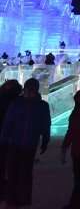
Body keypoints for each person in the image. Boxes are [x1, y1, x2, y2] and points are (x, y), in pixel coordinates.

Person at [0, 78, 50, 207]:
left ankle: (19, 199)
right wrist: (45, 139)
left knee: (22, 173)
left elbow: (45, 125)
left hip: (25, 144)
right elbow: (8, 123)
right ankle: (15, 199)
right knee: (16, 173)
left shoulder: (37, 105)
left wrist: (45, 139)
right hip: (19, 143)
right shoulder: (20, 103)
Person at [0, 80, 22, 202]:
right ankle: (11, 191)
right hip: (14, 139)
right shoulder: (18, 102)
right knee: (13, 166)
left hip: (7, 138)